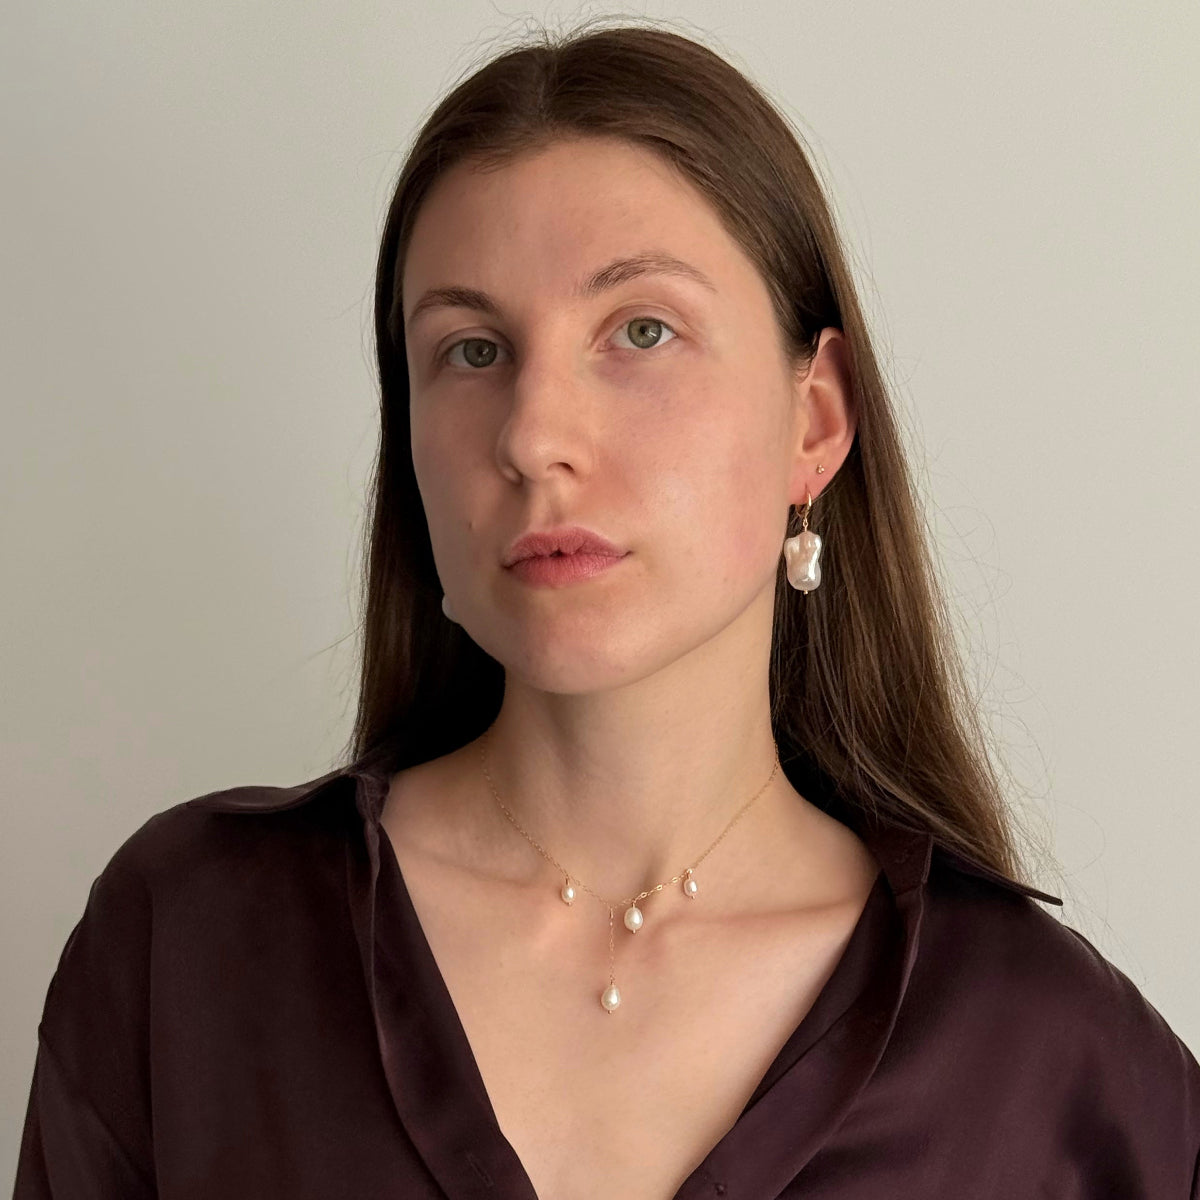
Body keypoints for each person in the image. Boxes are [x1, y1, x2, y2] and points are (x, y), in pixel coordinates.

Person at [13, 19, 1200, 1200]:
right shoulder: (194, 949)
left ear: (816, 419)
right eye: (471, 352)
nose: (534, 437)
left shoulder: (1058, 1072)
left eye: (641, 331)